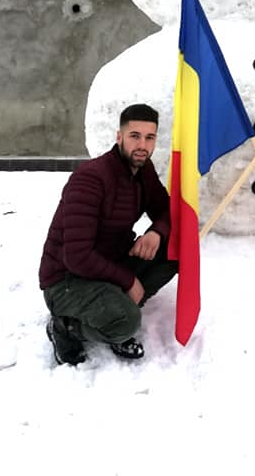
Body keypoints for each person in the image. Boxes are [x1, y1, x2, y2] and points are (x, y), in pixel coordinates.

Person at [39, 103, 178, 366]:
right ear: (119, 137)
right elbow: (77, 257)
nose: (142, 145)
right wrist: (128, 280)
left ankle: (112, 313)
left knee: (174, 247)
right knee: (127, 321)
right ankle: (65, 327)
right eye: (135, 136)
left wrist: (156, 232)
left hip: (109, 262)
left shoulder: (142, 170)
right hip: (66, 280)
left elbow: (168, 211)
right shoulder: (90, 179)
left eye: (149, 138)